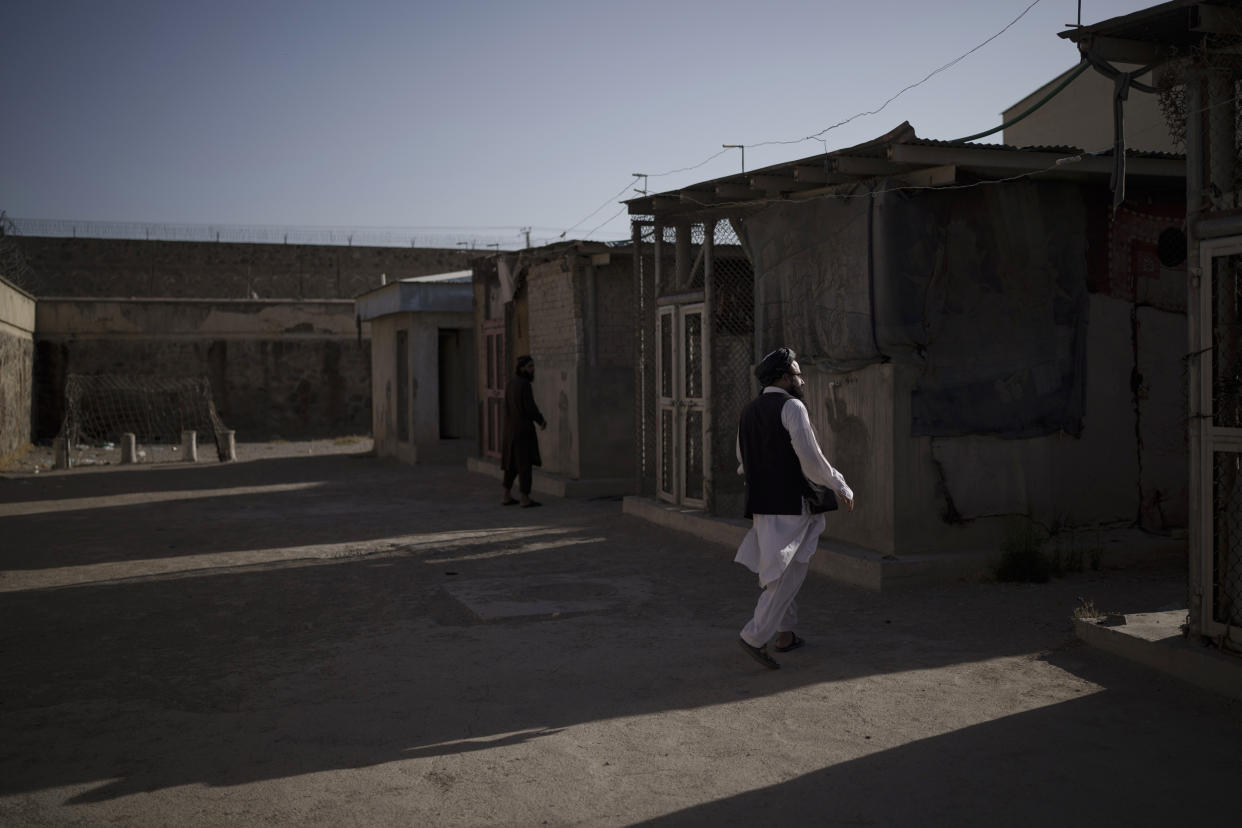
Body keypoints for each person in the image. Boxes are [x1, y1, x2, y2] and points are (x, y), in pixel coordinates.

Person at [735, 347, 854, 670]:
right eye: (797, 374)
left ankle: (785, 634)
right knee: (787, 574)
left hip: (763, 503)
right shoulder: (792, 407)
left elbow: (742, 462)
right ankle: (754, 636)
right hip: (790, 503)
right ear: (784, 377)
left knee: (778, 567)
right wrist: (840, 484)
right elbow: (811, 458)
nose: (800, 379)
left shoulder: (748, 411)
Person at [501, 355, 547, 507]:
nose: (532, 370)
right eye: (529, 367)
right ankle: (525, 498)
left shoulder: (510, 383)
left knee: (511, 464)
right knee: (524, 464)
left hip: (510, 429)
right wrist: (540, 420)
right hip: (522, 430)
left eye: (533, 366)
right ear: (522, 368)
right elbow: (530, 407)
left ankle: (506, 495)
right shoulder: (524, 384)